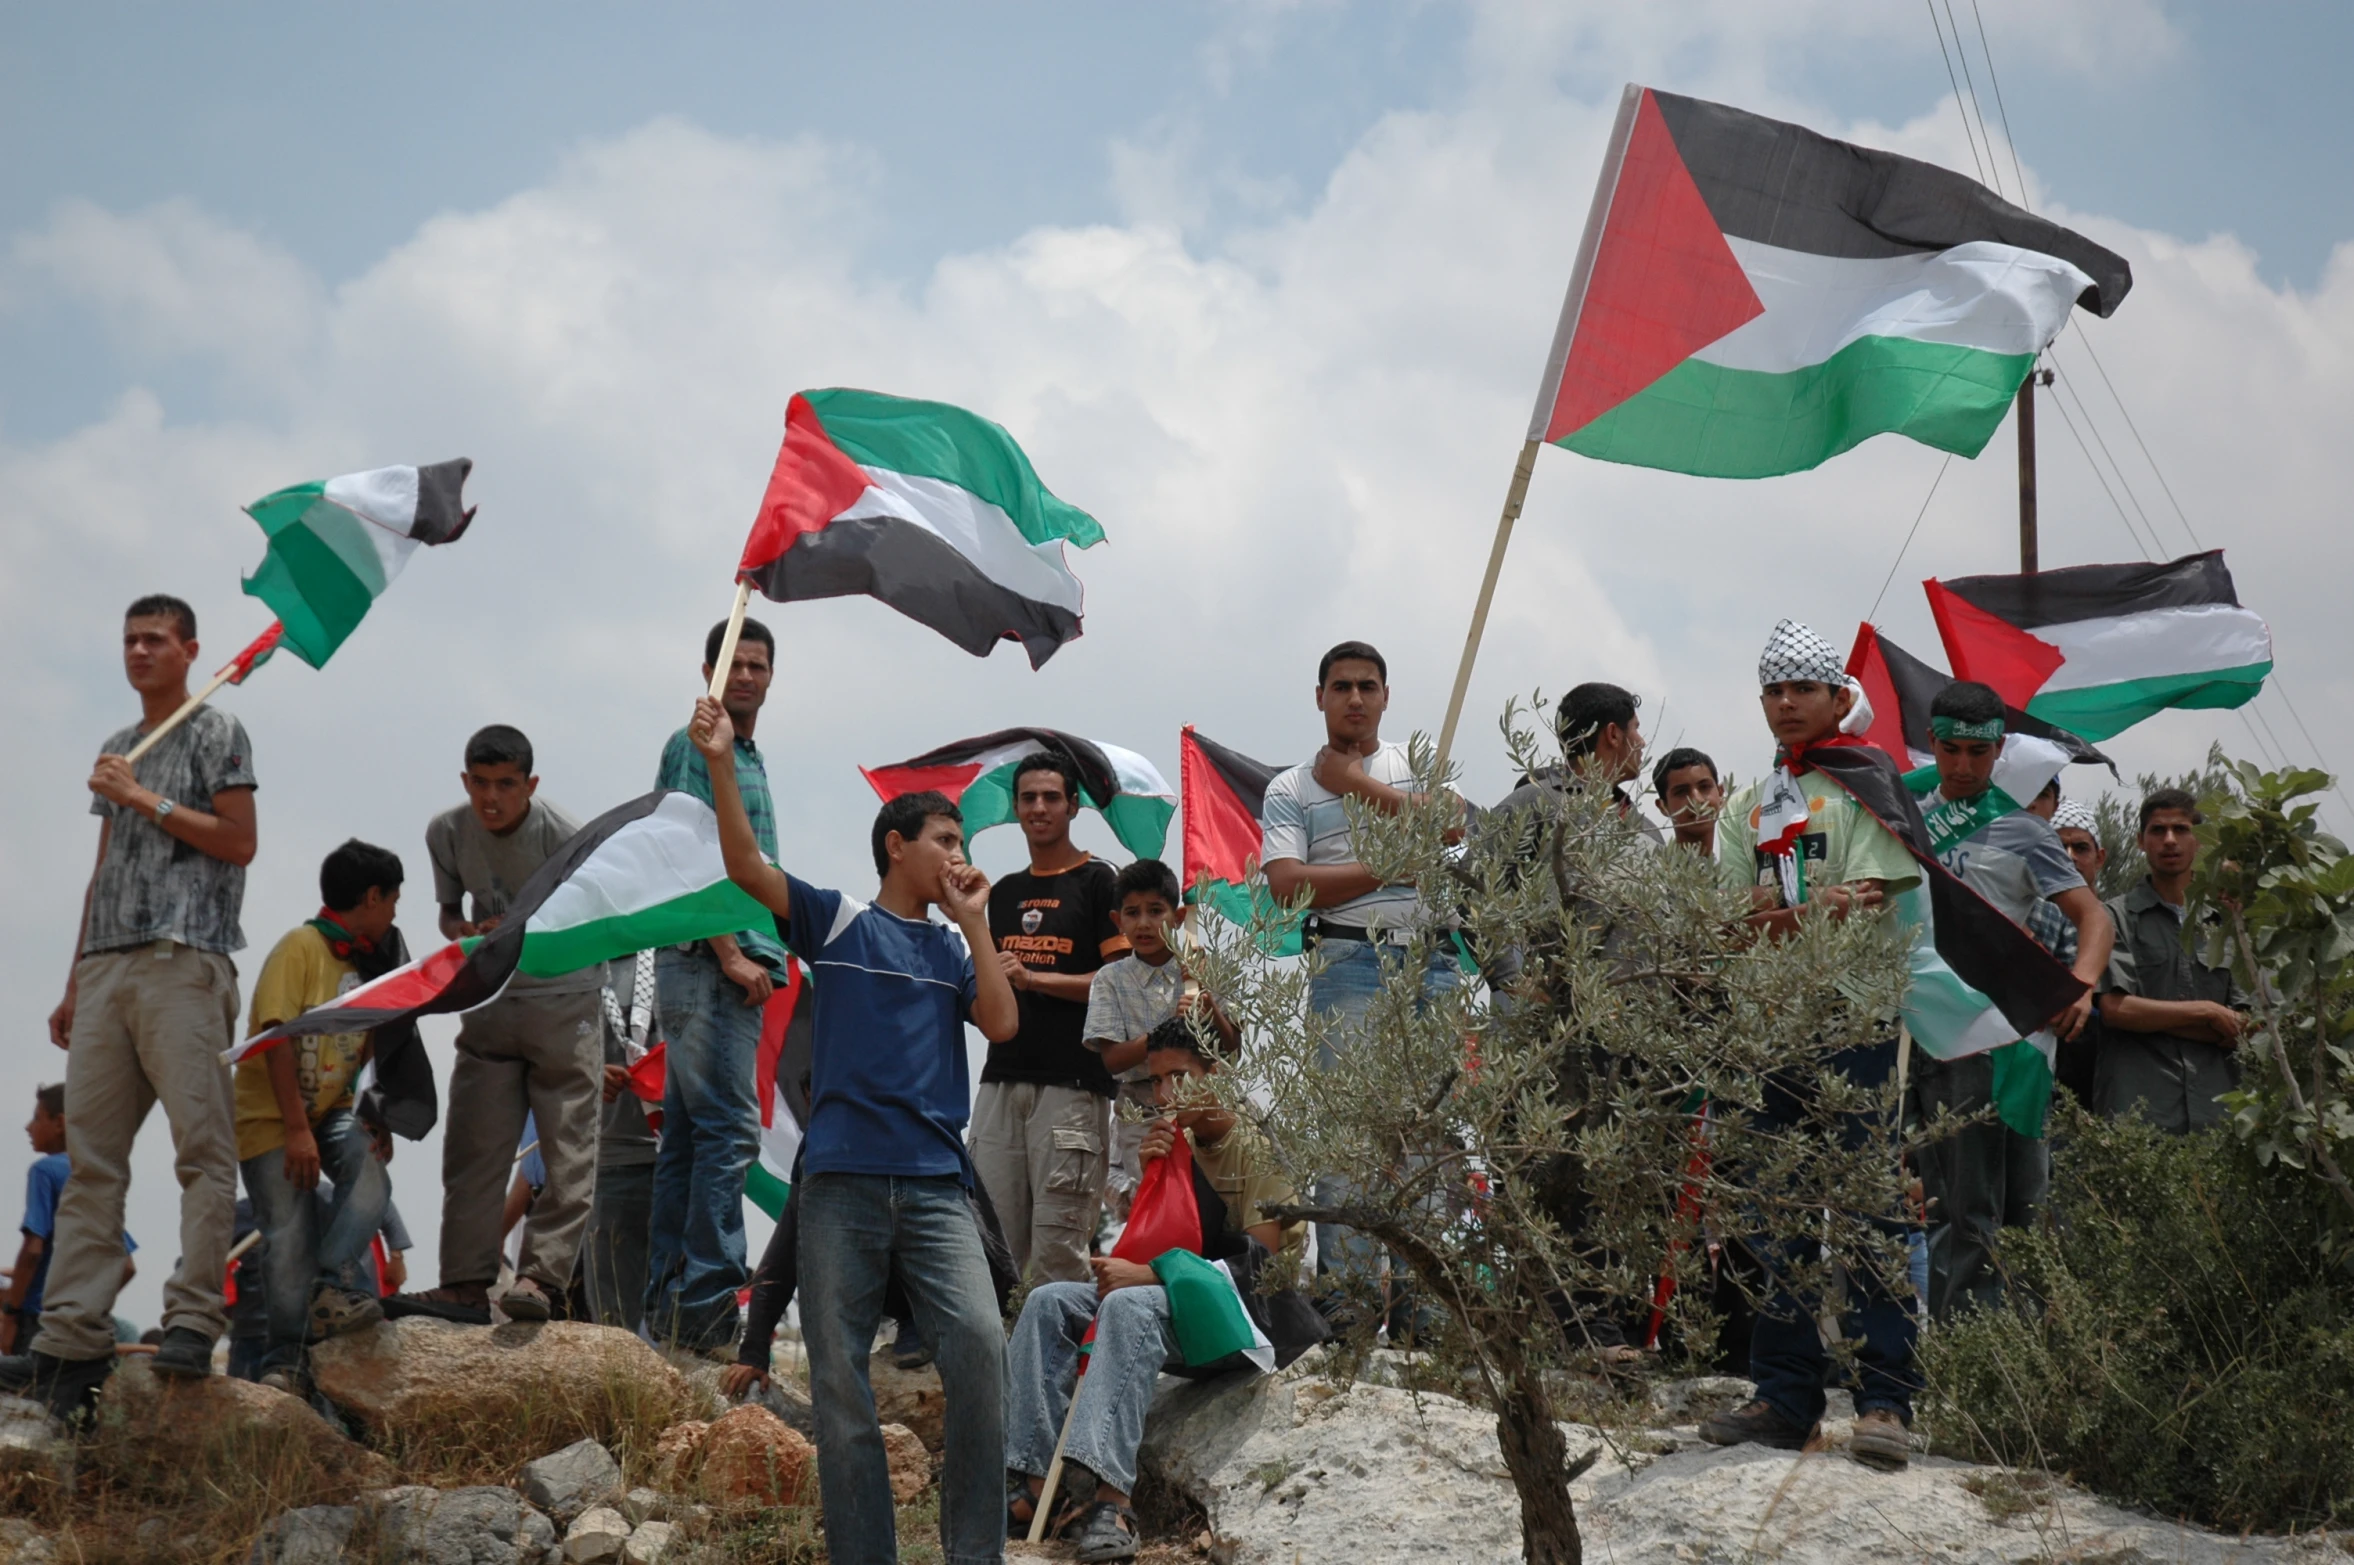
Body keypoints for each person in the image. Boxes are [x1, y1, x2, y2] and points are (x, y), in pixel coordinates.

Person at [692, 694, 1018, 1565]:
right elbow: (745, 866)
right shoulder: (837, 922)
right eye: (946, 840)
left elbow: (1002, 1022)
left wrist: (978, 923)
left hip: (936, 1185)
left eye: (963, 844)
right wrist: (723, 761)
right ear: (896, 847)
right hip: (837, 1184)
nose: (959, 855)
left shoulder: (954, 949)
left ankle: (974, 1554)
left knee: (983, 1350)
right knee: (841, 1384)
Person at [7, 595, 257, 1417]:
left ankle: (191, 1319)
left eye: (155, 638)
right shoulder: (119, 744)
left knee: (201, 1150)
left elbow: (239, 839)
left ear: (190, 649)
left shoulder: (217, 731)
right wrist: (78, 974)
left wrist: (143, 794)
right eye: (130, 639)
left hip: (183, 959)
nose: (140, 650)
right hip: (111, 962)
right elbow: (106, 862)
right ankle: (67, 1341)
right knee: (90, 1164)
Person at [1697, 619, 1921, 1471]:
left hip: (1853, 1021)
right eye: (1774, 689)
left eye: (1803, 688)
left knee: (1865, 1210)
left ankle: (1886, 1400)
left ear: (1837, 696)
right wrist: (1800, 915)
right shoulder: (1749, 805)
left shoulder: (1867, 784)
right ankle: (1784, 1397)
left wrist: (1778, 921)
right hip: (1768, 1031)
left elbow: (1868, 898)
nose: (1787, 703)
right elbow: (1724, 923)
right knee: (1774, 1215)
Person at [1004, 1018, 1324, 1562]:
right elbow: (1155, 1243)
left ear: (1217, 1075)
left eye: (1180, 1077)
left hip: (1248, 1325)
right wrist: (1155, 1178)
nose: (1165, 1094)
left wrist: (1151, 1276)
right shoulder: (1174, 1144)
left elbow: (1259, 1267)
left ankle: (1114, 1505)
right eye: (1156, 1081)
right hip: (1175, 1309)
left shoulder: (1259, 1147)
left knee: (1129, 1304)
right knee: (1049, 1301)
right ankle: (1033, 1490)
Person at [1907, 683, 2113, 1321]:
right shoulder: (1905, 817)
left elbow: (2094, 916)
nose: (1963, 766)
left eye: (1978, 752)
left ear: (1999, 751)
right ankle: (1959, 1360)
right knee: (1954, 1208)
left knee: (2021, 1209)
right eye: (1949, 750)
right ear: (1932, 744)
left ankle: (2014, 1368)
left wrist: (2079, 984)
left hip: (2013, 1037)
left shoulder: (2024, 830)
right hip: (1932, 1031)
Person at [1260, 641, 1460, 1295]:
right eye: (1341, 685)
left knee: (1425, 1140)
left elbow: (1453, 824)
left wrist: (1358, 787)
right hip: (1350, 959)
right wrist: (1386, 868)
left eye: (1367, 686)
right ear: (1319, 695)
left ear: (1385, 696)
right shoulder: (1289, 787)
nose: (1354, 697)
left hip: (1432, 964)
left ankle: (1422, 1313)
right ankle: (1349, 1311)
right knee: (1349, 1139)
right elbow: (1289, 886)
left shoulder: (1417, 762)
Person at [387, 725, 598, 1325]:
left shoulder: (564, 836)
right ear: (465, 781)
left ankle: (540, 1278)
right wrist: (467, 935)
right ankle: (464, 1283)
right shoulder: (447, 831)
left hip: (565, 998)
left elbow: (596, 916)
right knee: (474, 1146)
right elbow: (451, 915)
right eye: (480, 784)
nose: (491, 799)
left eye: (506, 785)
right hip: (492, 997)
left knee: (567, 1148)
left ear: (530, 785)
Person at [644, 619, 788, 1351]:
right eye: (735, 663)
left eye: (758, 666)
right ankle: (705, 1301)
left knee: (694, 1136)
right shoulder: (693, 745)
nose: (746, 677)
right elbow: (681, 847)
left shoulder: (747, 755)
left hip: (731, 960)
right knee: (728, 1131)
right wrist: (730, 950)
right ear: (709, 669)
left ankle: (672, 1306)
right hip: (708, 960)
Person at [235, 839, 410, 1388]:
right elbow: (275, 1038)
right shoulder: (301, 947)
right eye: (394, 902)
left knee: (370, 1177)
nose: (395, 915)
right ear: (373, 896)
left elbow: (381, 1038)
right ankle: (285, 1358)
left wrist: (376, 1112)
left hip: (332, 1110)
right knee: (287, 1237)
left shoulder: (368, 961)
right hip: (273, 1120)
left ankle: (330, 1284)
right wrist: (294, 1131)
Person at [974, 752, 1127, 1287]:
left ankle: (1067, 1370)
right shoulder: (1004, 892)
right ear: (1015, 808)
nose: (1039, 808)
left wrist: (1036, 980)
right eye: (1028, 798)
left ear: (1074, 805)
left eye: (1051, 797)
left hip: (1072, 1085)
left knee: (1060, 1252)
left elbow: (1122, 986)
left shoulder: (1101, 881)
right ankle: (997, 1368)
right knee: (987, 1246)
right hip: (999, 1081)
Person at [2094, 789, 2250, 1133]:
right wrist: (2209, 1013)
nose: (2169, 840)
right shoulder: (2113, 917)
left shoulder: (2229, 922)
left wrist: (2148, 1017)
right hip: (2138, 1113)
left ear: (2200, 842)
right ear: (2140, 840)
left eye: (2181, 829)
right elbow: (2115, 1009)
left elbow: (2251, 1024)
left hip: (2218, 1113)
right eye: (2157, 830)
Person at [1082, 861, 1216, 1218]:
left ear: (1178, 916)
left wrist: (1209, 1004)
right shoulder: (1110, 980)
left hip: (1203, 1104)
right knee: (1155, 1200)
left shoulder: (1201, 969)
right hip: (1141, 1109)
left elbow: (1232, 1046)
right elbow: (1112, 1060)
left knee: (1211, 1196)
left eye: (1156, 911)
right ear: (1117, 921)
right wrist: (1166, 1029)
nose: (1143, 923)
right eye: (1132, 912)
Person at [2, 1086, 136, 1357]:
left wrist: (11, 1315)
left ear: (60, 1123)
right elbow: (126, 1266)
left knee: (26, 1395)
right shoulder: (93, 1175)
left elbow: (32, 1249)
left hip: (37, 1321)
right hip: (76, 1326)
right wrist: (85, 1309)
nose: (29, 1127)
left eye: (38, 1118)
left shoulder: (45, 1170)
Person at [582, 954, 659, 1332]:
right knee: (612, 1328)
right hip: (611, 1161)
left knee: (680, 1323)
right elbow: (543, 1053)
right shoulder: (576, 961)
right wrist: (589, 1074)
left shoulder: (681, 953)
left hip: (680, 1159)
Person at [2042, 800, 2111, 1104]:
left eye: (2080, 848)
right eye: (2059, 849)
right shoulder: (2032, 917)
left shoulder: (2118, 920)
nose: (2069, 858)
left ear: (2099, 858)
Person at [1651, 747, 1725, 852]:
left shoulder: (1743, 866)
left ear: (1720, 794)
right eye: (1681, 792)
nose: (1697, 800)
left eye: (1704, 787)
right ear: (1663, 806)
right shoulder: (1642, 867)